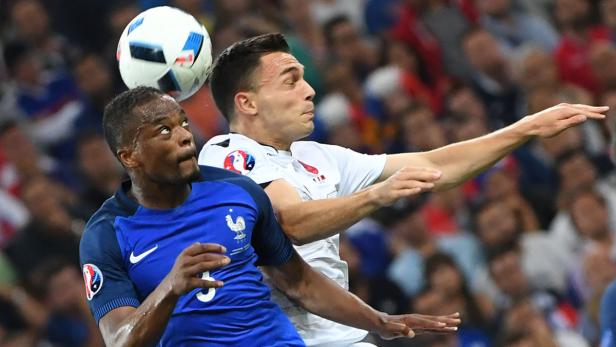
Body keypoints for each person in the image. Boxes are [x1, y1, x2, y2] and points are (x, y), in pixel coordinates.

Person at [198, 33, 607, 346]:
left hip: (339, 336)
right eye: (291, 81)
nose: (309, 90)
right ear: (247, 104)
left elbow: (435, 166)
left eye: (304, 78)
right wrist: (377, 195)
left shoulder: (318, 156)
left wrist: (526, 127)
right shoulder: (225, 154)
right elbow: (289, 223)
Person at [79, 86, 460, 346]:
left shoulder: (236, 190)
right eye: (164, 130)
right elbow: (120, 338)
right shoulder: (107, 234)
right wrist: (170, 287)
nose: (184, 136)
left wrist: (381, 321)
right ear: (128, 156)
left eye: (182, 122)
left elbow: (299, 282)